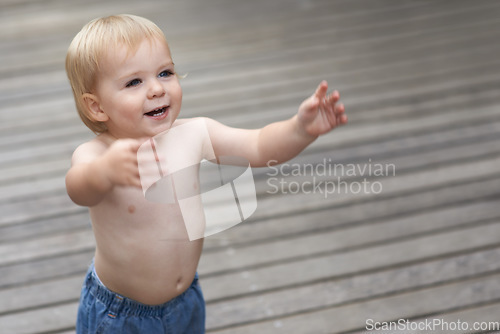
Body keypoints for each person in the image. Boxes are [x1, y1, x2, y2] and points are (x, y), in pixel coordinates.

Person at [65, 14, 347, 334]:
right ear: (97, 107)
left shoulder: (194, 133)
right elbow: (78, 188)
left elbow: (257, 146)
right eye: (134, 82)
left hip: (185, 303)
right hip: (120, 315)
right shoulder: (99, 154)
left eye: (165, 72)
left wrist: (300, 129)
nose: (157, 88)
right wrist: (105, 172)